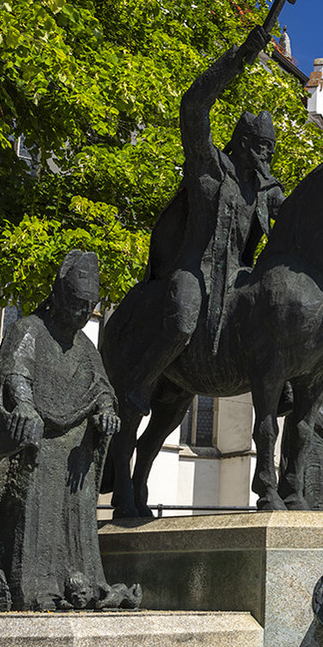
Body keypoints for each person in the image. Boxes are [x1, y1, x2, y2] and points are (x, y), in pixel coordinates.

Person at [112, 24, 285, 418]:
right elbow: (193, 107)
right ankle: (142, 379)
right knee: (182, 317)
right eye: (262, 149)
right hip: (195, 271)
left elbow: (295, 219)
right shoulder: (210, 169)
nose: (267, 159)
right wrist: (238, 58)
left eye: (271, 152)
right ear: (241, 143)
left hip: (238, 280)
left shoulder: (266, 189)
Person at [0, 251, 133, 610]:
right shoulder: (29, 328)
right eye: (78, 304)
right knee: (32, 506)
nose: (83, 313)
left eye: (89, 306)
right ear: (60, 295)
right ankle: (28, 588)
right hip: (37, 450)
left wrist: (107, 413)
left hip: (75, 456)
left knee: (77, 511)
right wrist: (25, 406)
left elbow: (102, 391)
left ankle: (79, 585)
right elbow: (15, 371)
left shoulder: (86, 347)